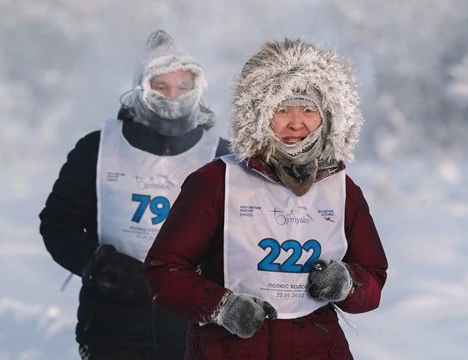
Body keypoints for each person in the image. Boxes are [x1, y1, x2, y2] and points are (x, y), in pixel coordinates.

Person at [143, 38, 388, 359]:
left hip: (318, 349)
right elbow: (164, 269)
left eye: (309, 109)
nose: (296, 123)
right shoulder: (215, 181)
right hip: (227, 350)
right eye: (282, 109)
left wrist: (347, 284)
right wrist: (222, 307)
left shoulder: (343, 189)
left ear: (328, 116)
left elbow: (373, 278)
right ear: (258, 114)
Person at [39, 29, 229, 360]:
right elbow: (57, 225)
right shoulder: (97, 149)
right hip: (111, 331)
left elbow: (251, 236)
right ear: (141, 88)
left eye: (183, 87)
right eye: (161, 87)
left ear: (198, 90)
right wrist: (98, 265)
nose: (173, 98)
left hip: (196, 332)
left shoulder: (223, 158)